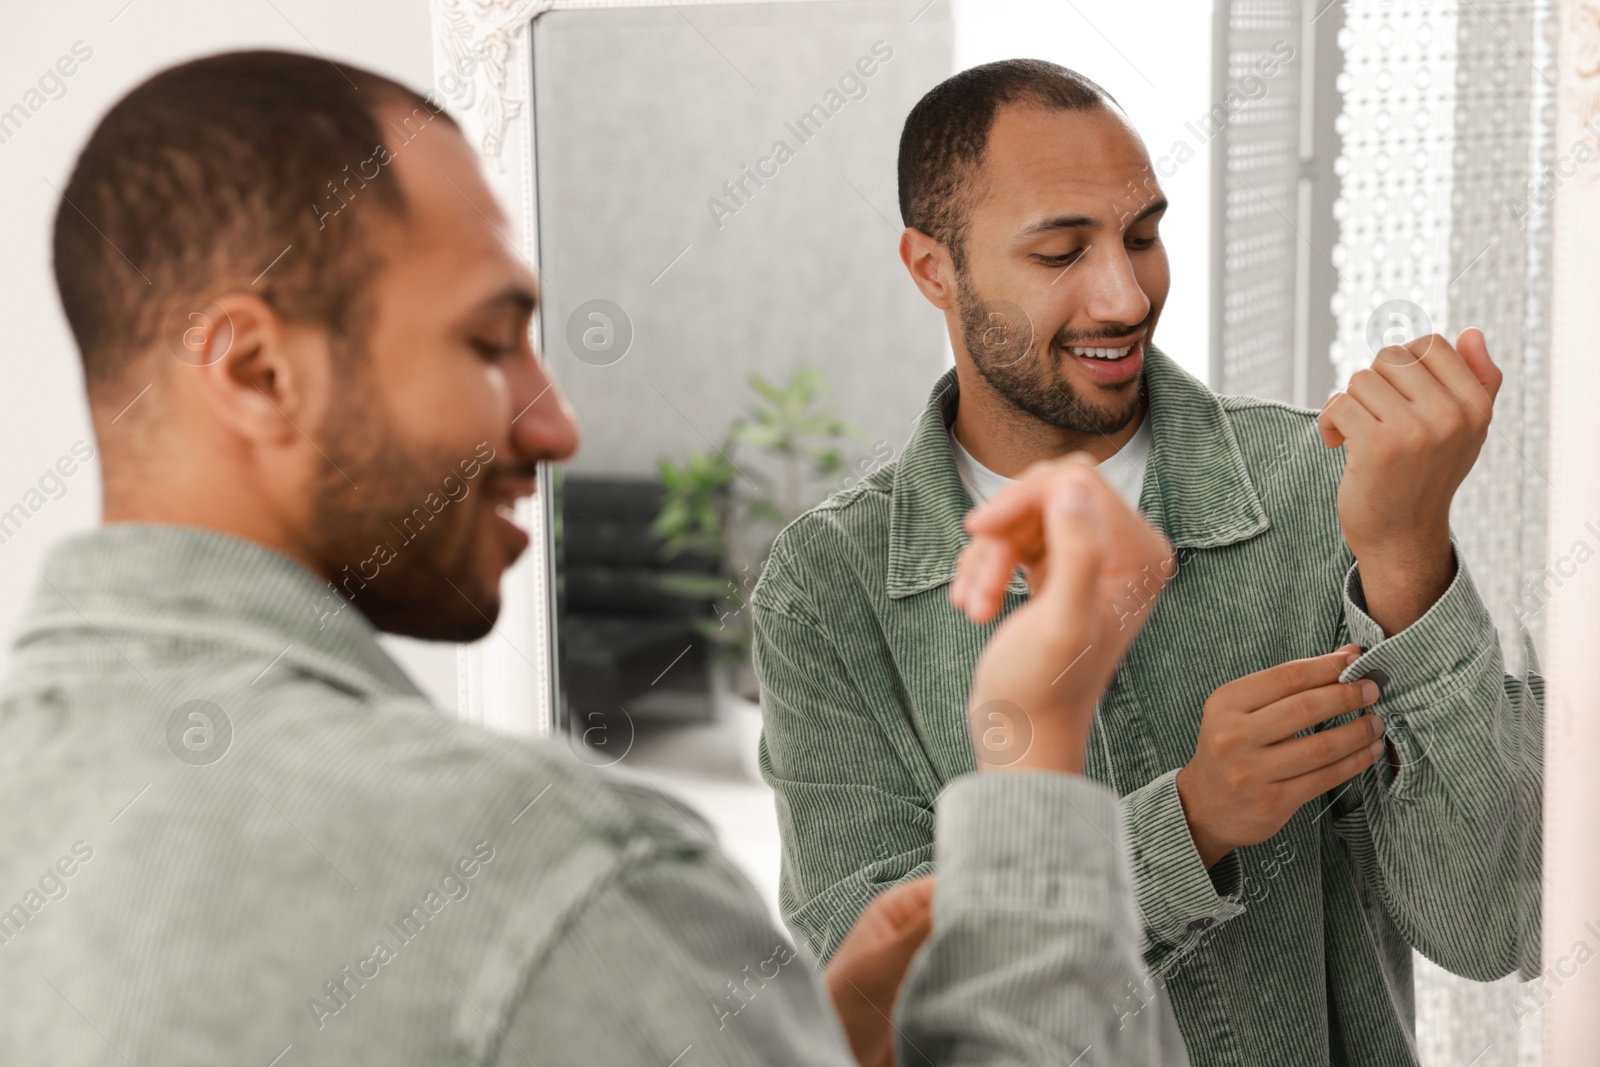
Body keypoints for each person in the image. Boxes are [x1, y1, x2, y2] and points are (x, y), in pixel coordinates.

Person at [0, 50, 1192, 1066]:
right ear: (259, 372)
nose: (555, 426)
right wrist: (1037, 759)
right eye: (486, 339)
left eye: (1141, 237)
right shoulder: (544, 869)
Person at [753, 59, 1542, 1066]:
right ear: (931, 268)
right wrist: (1191, 821)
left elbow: (1495, 918)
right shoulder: (828, 588)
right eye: (1059, 251)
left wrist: (1406, 551)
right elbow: (884, 1011)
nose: (1124, 295)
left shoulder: (1326, 490)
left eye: (1141, 235)